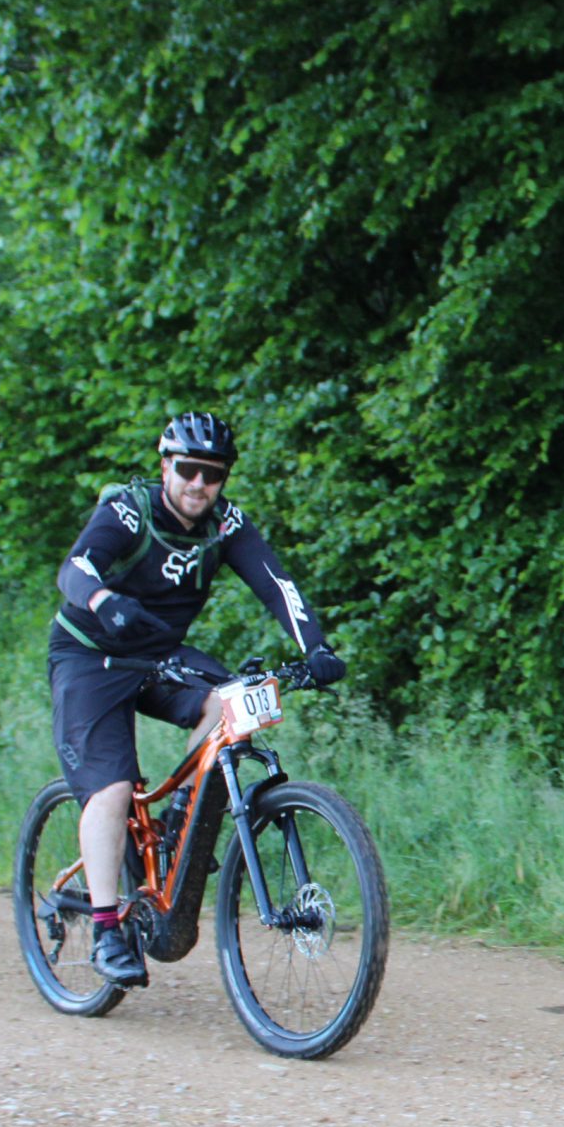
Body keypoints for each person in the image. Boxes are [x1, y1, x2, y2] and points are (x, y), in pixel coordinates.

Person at [47, 412, 343, 987]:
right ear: (166, 467)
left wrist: (316, 647)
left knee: (231, 703)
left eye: (213, 474)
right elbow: (75, 568)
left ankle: (182, 825)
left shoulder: (225, 524)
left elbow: (277, 585)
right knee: (112, 788)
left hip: (158, 653)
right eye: (188, 470)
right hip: (90, 655)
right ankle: (107, 931)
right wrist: (105, 601)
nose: (199, 484)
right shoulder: (130, 510)